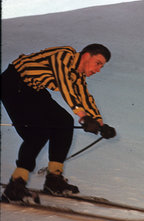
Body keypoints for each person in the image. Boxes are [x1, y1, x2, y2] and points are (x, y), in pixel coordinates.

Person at [1, 44, 116, 202]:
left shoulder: (77, 75)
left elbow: (83, 95)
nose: (98, 70)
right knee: (38, 133)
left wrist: (100, 124)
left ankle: (53, 180)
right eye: (98, 63)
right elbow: (65, 85)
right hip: (13, 85)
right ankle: (15, 185)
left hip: (33, 89)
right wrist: (83, 117)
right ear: (86, 56)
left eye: (101, 66)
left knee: (64, 122)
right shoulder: (64, 55)